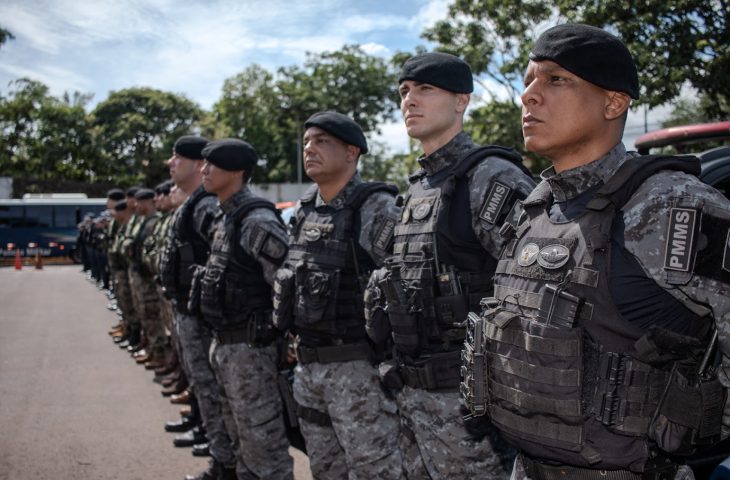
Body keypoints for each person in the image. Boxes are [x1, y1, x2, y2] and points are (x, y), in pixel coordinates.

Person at [461, 24, 730, 480]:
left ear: (613, 103)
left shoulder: (669, 204)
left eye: (555, 79)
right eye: (528, 81)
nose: (528, 96)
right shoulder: (535, 207)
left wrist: (694, 428)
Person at [368, 51, 536, 479]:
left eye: (425, 89)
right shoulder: (419, 187)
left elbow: (536, 291)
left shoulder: (489, 177)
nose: (409, 100)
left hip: (471, 409)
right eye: (404, 91)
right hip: (412, 398)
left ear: (462, 101)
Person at [272, 111, 403, 479]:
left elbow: (405, 285)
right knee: (325, 468)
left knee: (375, 470)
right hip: (309, 367)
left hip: (359, 372)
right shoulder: (304, 210)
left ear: (351, 152)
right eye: (307, 142)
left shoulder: (374, 207)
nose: (309, 149)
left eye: (322, 141)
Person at [191, 138, 293, 479]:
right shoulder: (226, 217)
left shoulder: (256, 221)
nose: (204, 170)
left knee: (263, 447)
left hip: (252, 351)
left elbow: (285, 286)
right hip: (226, 346)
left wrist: (285, 342)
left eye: (212, 164)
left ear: (236, 171)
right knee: (240, 443)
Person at [159, 135, 237, 480]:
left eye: (177, 157)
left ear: (196, 163)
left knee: (214, 392)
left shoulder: (206, 207)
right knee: (205, 390)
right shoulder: (194, 204)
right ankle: (221, 462)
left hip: (204, 319)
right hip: (190, 312)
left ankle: (225, 465)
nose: (171, 163)